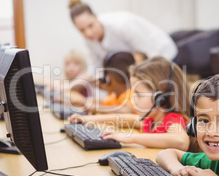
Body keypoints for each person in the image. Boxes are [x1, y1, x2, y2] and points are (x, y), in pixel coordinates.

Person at [69, 56, 199, 152]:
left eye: (139, 94)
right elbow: (130, 119)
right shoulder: (152, 120)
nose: (133, 100)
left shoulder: (173, 120)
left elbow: (180, 141)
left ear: (161, 98)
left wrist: (129, 137)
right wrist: (87, 119)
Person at [68, 0, 177, 72]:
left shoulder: (122, 25)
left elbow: (152, 54)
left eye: (90, 26)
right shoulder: (89, 39)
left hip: (162, 53)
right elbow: (95, 68)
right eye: (82, 30)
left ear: (96, 16)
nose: (88, 33)